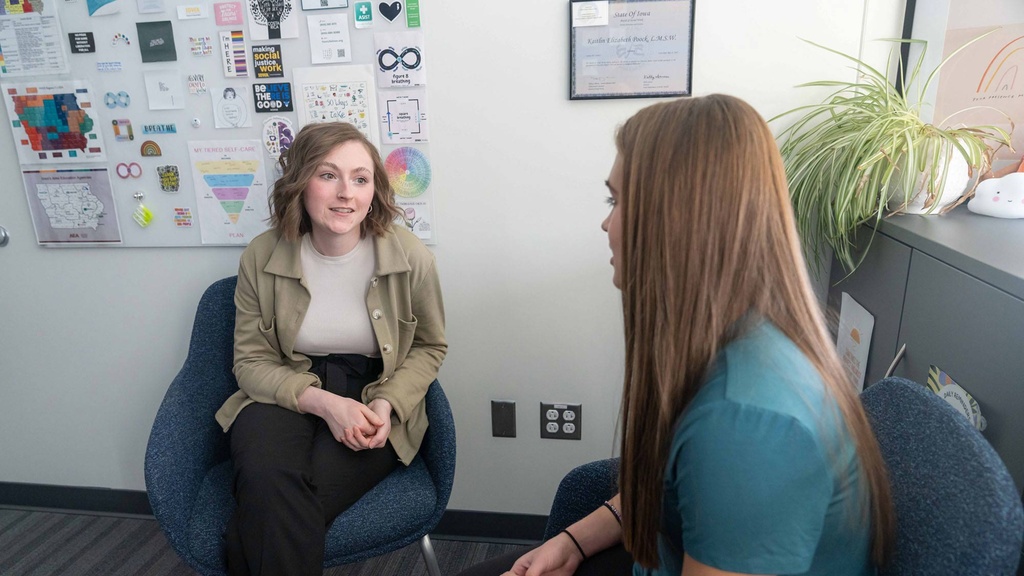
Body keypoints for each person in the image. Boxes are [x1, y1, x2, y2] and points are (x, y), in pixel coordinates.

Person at [457, 94, 894, 576]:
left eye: (617, 201)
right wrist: (573, 543)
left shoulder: (747, 426)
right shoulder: (733, 340)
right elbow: (673, 486)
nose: (606, 223)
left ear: (677, 221)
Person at [214, 121, 447, 576]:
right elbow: (250, 361)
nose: (346, 193)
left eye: (360, 179)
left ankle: (239, 545)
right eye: (328, 175)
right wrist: (322, 403)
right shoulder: (261, 257)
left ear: (373, 190)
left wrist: (386, 403)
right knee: (267, 478)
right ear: (300, 182)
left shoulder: (410, 256)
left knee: (264, 518)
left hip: (371, 392)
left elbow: (429, 346)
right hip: (284, 388)